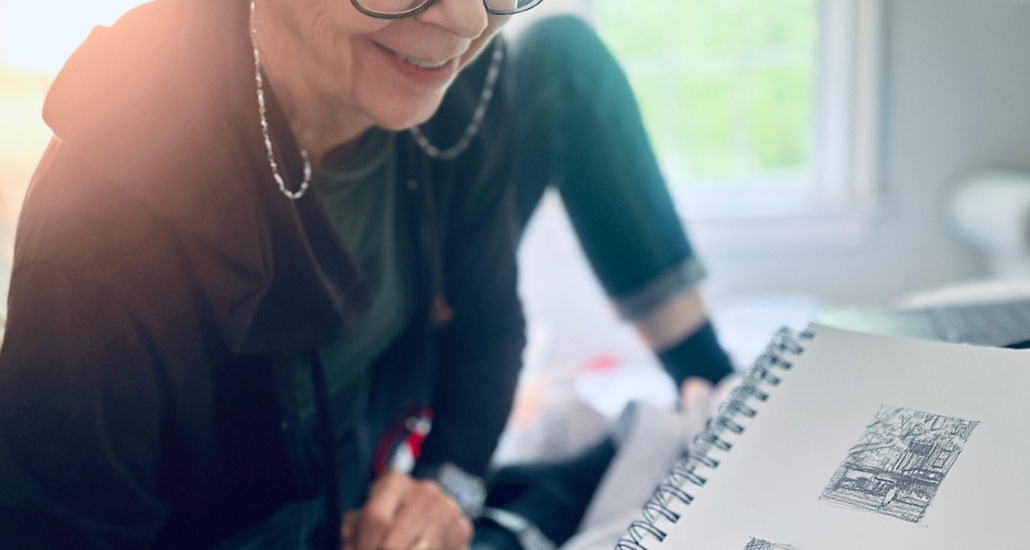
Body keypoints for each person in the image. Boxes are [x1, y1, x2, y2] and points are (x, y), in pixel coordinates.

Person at [0, 3, 730, 550]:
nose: (466, 18)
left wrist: (450, 483)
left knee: (561, 58)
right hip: (267, 504)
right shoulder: (94, 244)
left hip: (385, 399)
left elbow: (490, 324)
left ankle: (722, 398)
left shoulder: (459, 85)